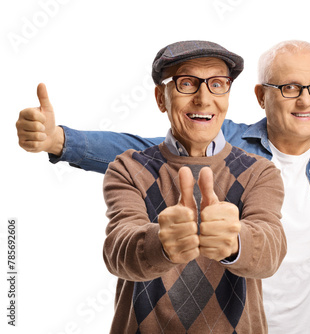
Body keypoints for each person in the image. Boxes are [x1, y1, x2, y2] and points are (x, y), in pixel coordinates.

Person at [16, 40, 310, 334]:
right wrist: (60, 140)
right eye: (290, 87)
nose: (306, 100)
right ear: (261, 96)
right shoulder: (227, 144)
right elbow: (143, 153)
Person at [34, 40, 287, 333]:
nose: (204, 98)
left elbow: (271, 250)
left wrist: (236, 241)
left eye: (217, 84)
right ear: (160, 98)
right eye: (187, 83)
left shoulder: (259, 172)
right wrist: (161, 243)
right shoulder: (129, 168)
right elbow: (117, 249)